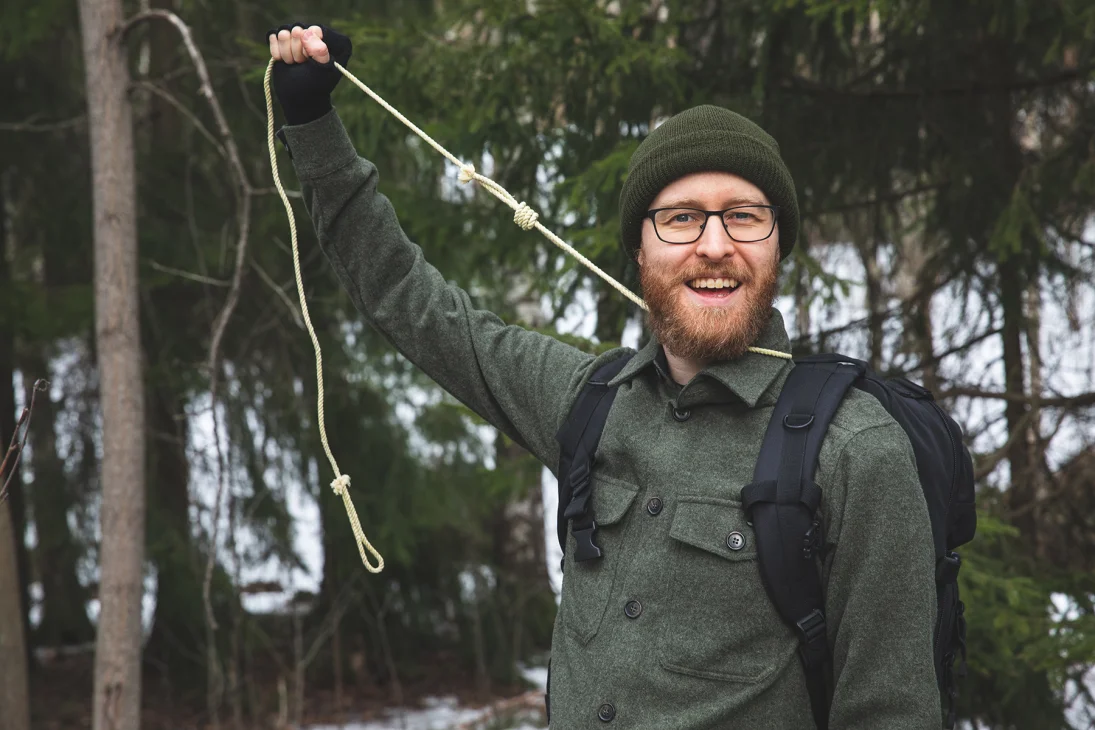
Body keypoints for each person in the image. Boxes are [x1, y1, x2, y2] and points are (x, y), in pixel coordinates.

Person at [267, 23, 942, 730]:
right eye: (681, 219)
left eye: (743, 217)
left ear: (777, 243)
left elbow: (890, 713)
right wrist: (312, 123)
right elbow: (408, 299)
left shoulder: (853, 451)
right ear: (639, 248)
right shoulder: (589, 401)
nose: (715, 246)